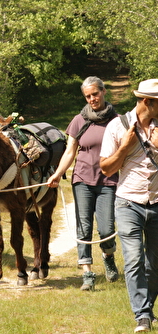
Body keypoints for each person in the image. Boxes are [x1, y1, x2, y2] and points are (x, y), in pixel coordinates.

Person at [48, 76, 119, 291]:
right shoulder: (79, 120)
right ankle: (87, 272)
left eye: (95, 94)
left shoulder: (117, 120)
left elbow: (126, 151)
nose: (92, 99)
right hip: (83, 179)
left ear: (103, 92)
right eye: (88, 96)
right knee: (83, 227)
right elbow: (70, 151)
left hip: (109, 180)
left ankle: (108, 256)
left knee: (106, 228)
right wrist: (58, 174)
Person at [100, 79, 158, 333]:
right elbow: (106, 168)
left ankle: (148, 307)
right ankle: (142, 315)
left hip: (157, 203)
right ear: (147, 102)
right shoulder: (117, 126)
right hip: (128, 203)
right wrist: (124, 147)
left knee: (154, 264)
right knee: (133, 259)